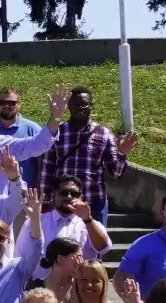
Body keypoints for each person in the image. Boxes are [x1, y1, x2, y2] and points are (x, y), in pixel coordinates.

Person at [37, 86, 138, 225]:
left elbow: (115, 173)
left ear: (91, 106)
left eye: (85, 104)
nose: (82, 107)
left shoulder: (104, 134)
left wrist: (121, 153)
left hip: (94, 203)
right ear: (68, 106)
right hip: (63, 203)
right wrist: (44, 202)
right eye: (77, 104)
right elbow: (46, 170)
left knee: (95, 245)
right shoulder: (56, 133)